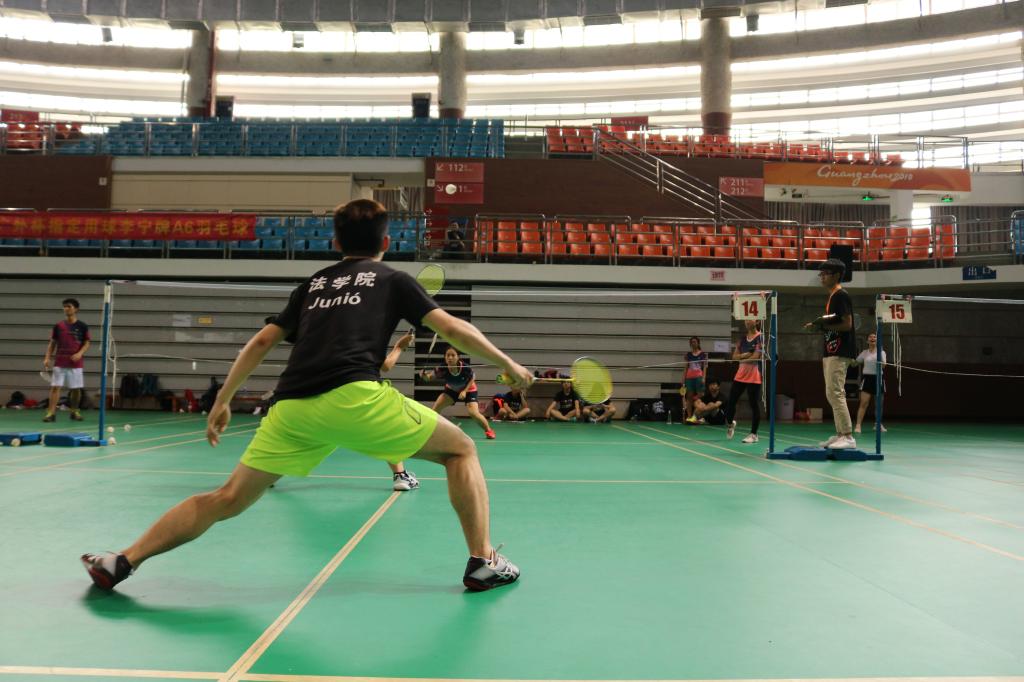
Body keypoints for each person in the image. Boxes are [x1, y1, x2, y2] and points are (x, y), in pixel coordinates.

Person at [81, 199, 532, 594]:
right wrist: (508, 364)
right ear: (386, 242)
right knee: (461, 450)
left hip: (291, 408)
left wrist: (223, 400)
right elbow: (451, 327)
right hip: (354, 398)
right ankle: (483, 560)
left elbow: (262, 342)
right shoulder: (392, 279)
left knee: (227, 498)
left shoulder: (313, 285)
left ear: (336, 243)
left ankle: (122, 560)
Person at [803, 258, 858, 450]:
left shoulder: (841, 296)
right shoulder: (833, 296)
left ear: (836, 275)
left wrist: (822, 326)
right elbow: (833, 323)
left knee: (836, 392)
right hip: (830, 349)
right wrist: (818, 325)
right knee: (831, 393)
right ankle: (840, 434)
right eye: (821, 273)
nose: (822, 276)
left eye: (825, 273)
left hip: (840, 350)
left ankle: (848, 437)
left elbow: (847, 324)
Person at [420, 347, 496, 440]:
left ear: (458, 357)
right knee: (436, 409)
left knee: (473, 413)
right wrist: (424, 376)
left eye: (453, 355)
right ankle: (429, 430)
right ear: (445, 357)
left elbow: (473, 377)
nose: (450, 358)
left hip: (469, 390)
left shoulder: (465, 368)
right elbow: (429, 378)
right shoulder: (442, 368)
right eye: (448, 355)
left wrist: (464, 391)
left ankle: (488, 430)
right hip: (452, 390)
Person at [380, 329, 420, 491]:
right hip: (362, 395)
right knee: (389, 429)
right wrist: (399, 347)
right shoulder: (362, 335)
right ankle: (400, 475)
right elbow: (386, 365)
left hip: (324, 397)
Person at [42, 297, 90, 423]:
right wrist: (47, 357)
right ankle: (51, 413)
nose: (66, 309)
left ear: (76, 309)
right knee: (55, 387)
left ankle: (74, 411)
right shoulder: (58, 326)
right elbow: (52, 343)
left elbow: (87, 343)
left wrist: (80, 353)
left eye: (69, 306)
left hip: (76, 362)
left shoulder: (82, 326)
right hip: (60, 362)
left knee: (76, 389)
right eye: (64, 306)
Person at [724, 319, 763, 444]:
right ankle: (731, 424)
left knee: (754, 404)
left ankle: (754, 434)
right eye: (746, 319)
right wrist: (745, 355)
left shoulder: (760, 338)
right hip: (740, 375)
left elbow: (756, 357)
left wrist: (742, 357)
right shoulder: (742, 339)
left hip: (754, 376)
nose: (747, 322)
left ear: (756, 321)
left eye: (750, 319)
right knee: (731, 402)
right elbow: (734, 357)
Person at [854, 332, 886, 435]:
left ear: (877, 340)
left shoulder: (882, 352)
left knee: (879, 404)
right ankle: (858, 425)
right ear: (867, 340)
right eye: (870, 337)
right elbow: (855, 363)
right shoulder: (864, 353)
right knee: (863, 403)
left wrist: (880, 358)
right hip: (867, 379)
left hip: (878, 379)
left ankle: (878, 424)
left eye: (875, 337)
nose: (873, 338)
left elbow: (884, 365)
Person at [682, 336, 708, 420]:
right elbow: (686, 367)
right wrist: (683, 379)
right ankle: (689, 417)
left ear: (698, 343)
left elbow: (705, 367)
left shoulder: (703, 354)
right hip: (689, 378)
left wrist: (704, 378)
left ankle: (697, 416)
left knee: (700, 396)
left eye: (695, 342)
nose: (693, 343)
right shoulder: (688, 355)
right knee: (689, 397)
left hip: (698, 377)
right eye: (692, 342)